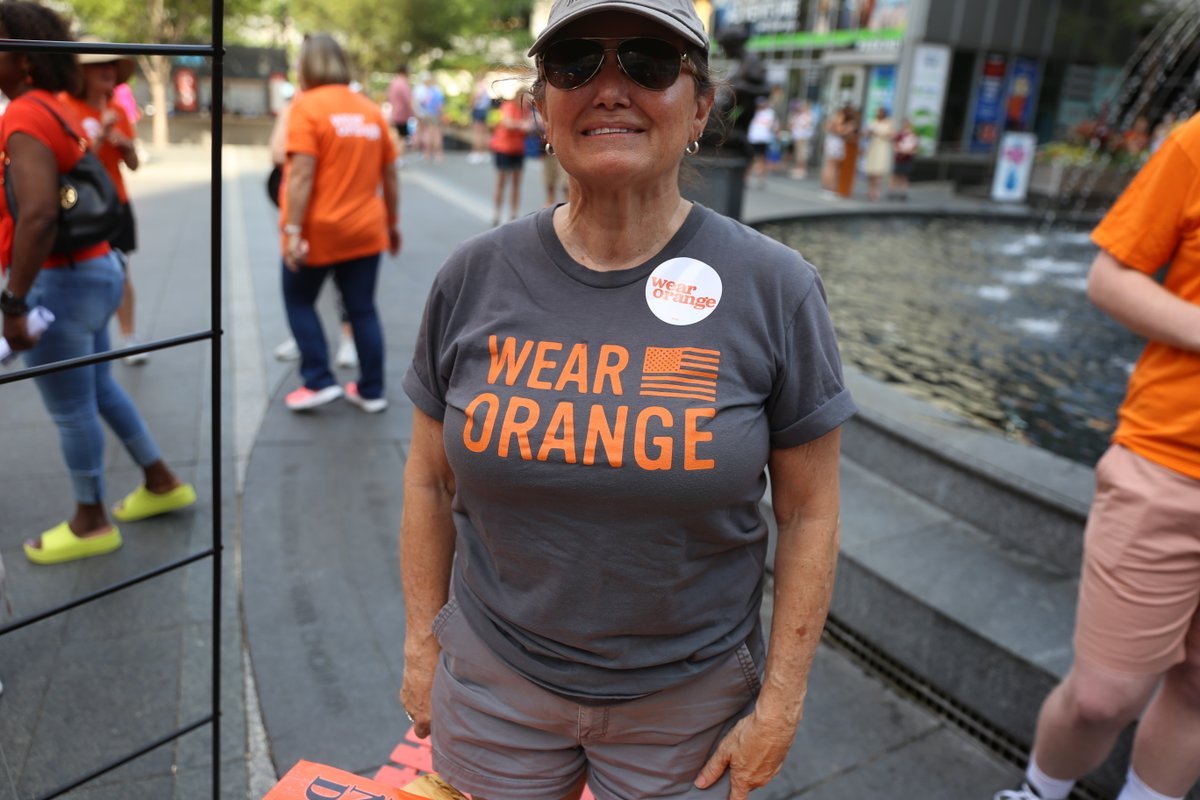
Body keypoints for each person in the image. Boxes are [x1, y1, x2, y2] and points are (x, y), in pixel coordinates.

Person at [398, 1, 857, 798]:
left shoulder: (776, 288)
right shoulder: (473, 277)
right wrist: (419, 642)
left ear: (700, 106)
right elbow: (428, 480)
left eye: (646, 62)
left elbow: (811, 512)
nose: (609, 89)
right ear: (542, 106)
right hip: (493, 681)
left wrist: (781, 702)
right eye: (575, 64)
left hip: (689, 709)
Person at [994, 112, 1200, 800]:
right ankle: (1037, 794)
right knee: (1102, 698)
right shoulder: (1195, 142)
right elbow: (1110, 278)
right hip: (1170, 463)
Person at [0, 1, 195, 565]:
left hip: (58, 282)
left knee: (71, 407)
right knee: (100, 387)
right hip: (93, 269)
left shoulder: (25, 116)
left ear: (26, 59)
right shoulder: (48, 109)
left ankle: (90, 521)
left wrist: (13, 303)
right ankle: (160, 481)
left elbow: (37, 214)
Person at [278, 33, 401, 413]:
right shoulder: (369, 110)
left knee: (298, 300)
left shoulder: (307, 107)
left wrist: (292, 231)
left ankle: (317, 379)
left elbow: (300, 175)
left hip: (319, 231)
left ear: (306, 65)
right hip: (366, 228)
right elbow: (391, 175)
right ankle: (372, 390)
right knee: (362, 308)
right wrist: (392, 224)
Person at [60, 40, 146, 364]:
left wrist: (127, 146)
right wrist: (100, 135)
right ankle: (90, 341)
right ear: (82, 72)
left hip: (116, 203)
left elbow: (134, 165)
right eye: (100, 65)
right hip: (81, 207)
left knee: (121, 269)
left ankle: (128, 337)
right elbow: (71, 165)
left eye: (112, 65)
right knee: (84, 272)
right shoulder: (66, 107)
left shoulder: (119, 110)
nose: (108, 70)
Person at [267, 91, 358, 369]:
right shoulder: (356, 107)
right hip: (342, 213)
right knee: (338, 290)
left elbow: (279, 154)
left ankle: (320, 372)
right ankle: (317, 343)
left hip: (317, 218)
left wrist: (293, 230)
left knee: (303, 294)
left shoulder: (303, 108)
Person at [488, 87, 532, 226]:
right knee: (501, 182)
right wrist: (521, 125)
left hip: (518, 149)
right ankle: (496, 213)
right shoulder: (508, 106)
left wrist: (526, 126)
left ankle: (514, 214)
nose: (527, 101)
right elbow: (507, 123)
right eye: (525, 98)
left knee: (516, 184)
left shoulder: (526, 111)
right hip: (503, 148)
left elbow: (530, 126)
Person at [862, 105, 894, 201]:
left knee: (878, 171)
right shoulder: (873, 121)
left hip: (881, 148)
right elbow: (866, 134)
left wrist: (878, 133)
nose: (879, 113)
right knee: (871, 171)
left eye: (881, 111)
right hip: (873, 147)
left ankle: (876, 191)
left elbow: (891, 135)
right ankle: (870, 190)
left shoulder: (888, 122)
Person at [746, 94, 777, 189]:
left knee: (762, 159)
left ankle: (761, 179)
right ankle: (746, 179)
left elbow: (774, 126)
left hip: (763, 139)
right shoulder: (752, 111)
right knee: (749, 160)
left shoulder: (770, 113)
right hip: (752, 139)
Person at [413, 72, 445, 164]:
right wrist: (441, 114)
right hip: (434, 114)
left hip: (427, 114)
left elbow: (422, 103)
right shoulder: (437, 91)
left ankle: (427, 153)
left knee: (428, 133)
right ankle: (438, 154)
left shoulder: (428, 91)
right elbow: (440, 105)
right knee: (436, 134)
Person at [387, 64, 413, 167]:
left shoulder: (393, 82)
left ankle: (396, 158)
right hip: (402, 114)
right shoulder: (403, 83)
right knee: (402, 138)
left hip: (395, 113)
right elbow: (408, 100)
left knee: (397, 137)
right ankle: (398, 158)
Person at [888, 117, 918, 200]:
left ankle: (903, 193)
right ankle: (892, 191)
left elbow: (915, 149)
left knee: (904, 176)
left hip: (908, 159)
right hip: (899, 158)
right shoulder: (899, 134)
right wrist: (900, 150)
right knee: (896, 175)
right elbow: (894, 144)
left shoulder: (913, 135)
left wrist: (908, 151)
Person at [819, 104, 847, 192]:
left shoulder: (831, 120)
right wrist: (848, 127)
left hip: (831, 142)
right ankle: (829, 186)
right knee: (832, 166)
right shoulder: (838, 119)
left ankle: (825, 185)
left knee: (828, 165)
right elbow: (839, 130)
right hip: (835, 144)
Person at [468, 69, 493, 165]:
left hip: (478, 110)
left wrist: (471, 105)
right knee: (484, 133)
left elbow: (474, 99)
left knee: (477, 134)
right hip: (484, 111)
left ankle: (476, 153)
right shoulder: (486, 88)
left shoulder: (478, 87)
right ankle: (484, 153)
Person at [836, 105, 860, 198]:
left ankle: (845, 189)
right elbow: (845, 134)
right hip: (847, 147)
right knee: (843, 169)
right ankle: (842, 189)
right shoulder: (851, 123)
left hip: (851, 148)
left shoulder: (853, 123)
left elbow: (849, 135)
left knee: (847, 170)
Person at [788, 99, 815, 179]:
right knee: (798, 152)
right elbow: (792, 124)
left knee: (803, 153)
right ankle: (798, 168)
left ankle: (802, 169)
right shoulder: (798, 115)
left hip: (804, 137)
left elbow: (806, 125)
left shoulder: (809, 115)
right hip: (797, 136)